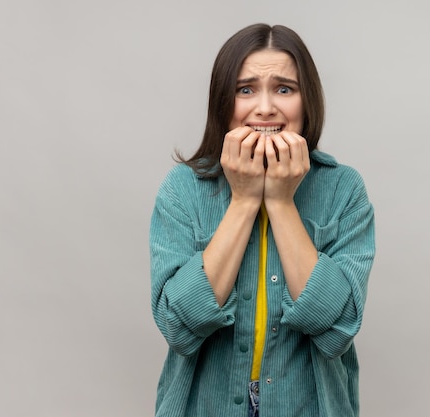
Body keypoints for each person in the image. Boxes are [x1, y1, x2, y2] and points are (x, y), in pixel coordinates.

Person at [149, 23, 376, 417]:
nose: (266, 107)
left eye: (284, 89)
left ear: (308, 101)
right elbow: (176, 325)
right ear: (224, 101)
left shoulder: (344, 190)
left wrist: (282, 203)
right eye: (246, 89)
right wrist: (243, 201)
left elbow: (337, 329)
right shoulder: (183, 188)